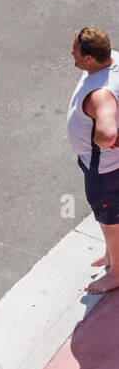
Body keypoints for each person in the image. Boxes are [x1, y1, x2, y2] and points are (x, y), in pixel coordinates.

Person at [68, 28, 119, 294]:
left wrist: (105, 141)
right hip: (103, 166)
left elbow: (107, 134)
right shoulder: (113, 60)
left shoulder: (100, 93)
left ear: (90, 58)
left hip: (105, 170)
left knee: (111, 220)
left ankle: (117, 273)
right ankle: (112, 255)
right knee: (108, 218)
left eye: (75, 51)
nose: (71, 54)